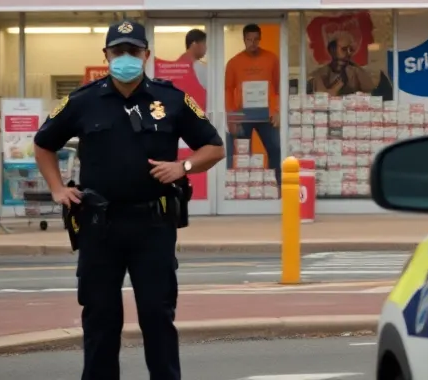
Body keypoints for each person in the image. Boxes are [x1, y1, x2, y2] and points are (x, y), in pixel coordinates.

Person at [34, 20, 225, 380]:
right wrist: (58, 189)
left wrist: (182, 166)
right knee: (101, 320)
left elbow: (214, 147)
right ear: (106, 55)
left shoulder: (170, 99)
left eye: (133, 51)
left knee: (158, 317)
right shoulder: (82, 101)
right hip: (98, 228)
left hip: (153, 227)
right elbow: (43, 143)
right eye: (118, 51)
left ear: (146, 55)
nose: (125, 58)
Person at [223, 23, 281, 181]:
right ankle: (242, 186)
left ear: (260, 39)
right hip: (243, 116)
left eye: (256, 39)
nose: (252, 43)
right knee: (242, 154)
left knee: (276, 148)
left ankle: (274, 186)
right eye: (249, 39)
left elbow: (279, 88)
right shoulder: (234, 63)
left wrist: (277, 111)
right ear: (244, 40)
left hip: (267, 115)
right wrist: (231, 117)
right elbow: (227, 90)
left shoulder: (271, 59)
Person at [309, 32, 378, 96]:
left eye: (351, 50)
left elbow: (372, 92)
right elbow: (322, 98)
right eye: (344, 49)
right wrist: (338, 86)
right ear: (332, 50)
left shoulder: (355, 71)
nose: (348, 53)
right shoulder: (320, 74)